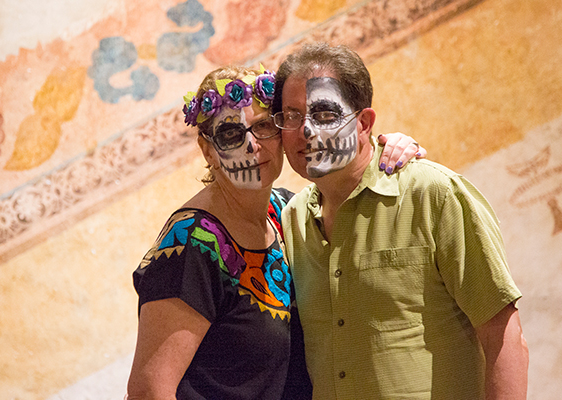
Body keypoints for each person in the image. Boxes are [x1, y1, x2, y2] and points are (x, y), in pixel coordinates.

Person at [126, 64, 424, 399]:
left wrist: (390, 149)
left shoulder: (287, 211)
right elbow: (149, 390)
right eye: (231, 135)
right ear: (207, 150)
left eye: (263, 127)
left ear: (282, 132)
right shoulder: (190, 244)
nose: (252, 146)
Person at [272, 42, 529, 399]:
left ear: (364, 123)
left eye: (325, 115)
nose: (306, 130)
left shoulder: (433, 194)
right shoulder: (291, 220)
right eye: (292, 115)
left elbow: (503, 336)